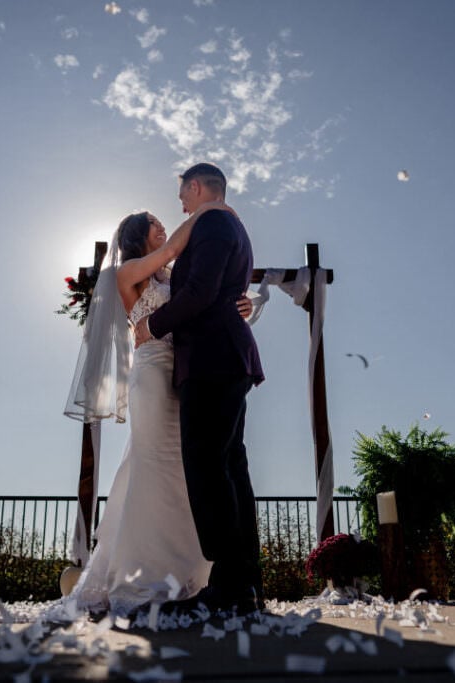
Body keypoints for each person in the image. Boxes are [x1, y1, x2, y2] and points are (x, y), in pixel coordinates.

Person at [63, 201, 252, 618]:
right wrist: (211, 211)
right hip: (151, 376)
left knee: (188, 473)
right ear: (136, 236)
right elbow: (170, 253)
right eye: (154, 224)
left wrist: (242, 307)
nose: (163, 228)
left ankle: (191, 576)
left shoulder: (172, 275)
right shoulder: (125, 274)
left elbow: (201, 302)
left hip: (185, 375)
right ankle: (143, 574)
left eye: (163, 223)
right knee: (153, 465)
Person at [134, 162, 265, 616]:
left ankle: (228, 585)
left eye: (182, 196)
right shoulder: (233, 225)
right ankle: (244, 584)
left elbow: (201, 292)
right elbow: (224, 288)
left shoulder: (211, 220)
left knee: (208, 468)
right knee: (230, 469)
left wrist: (152, 324)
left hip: (212, 357)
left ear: (195, 187)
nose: (181, 205)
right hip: (226, 356)